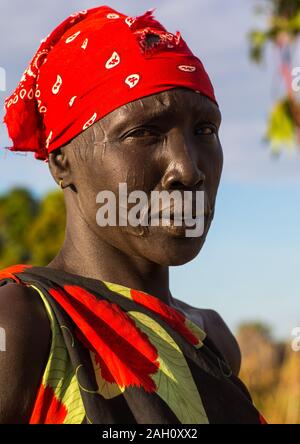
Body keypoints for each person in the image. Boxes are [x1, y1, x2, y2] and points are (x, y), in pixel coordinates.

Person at [0, 5, 266, 424]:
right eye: (143, 132)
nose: (189, 169)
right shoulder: (21, 329)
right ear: (61, 162)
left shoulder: (212, 338)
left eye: (205, 131)